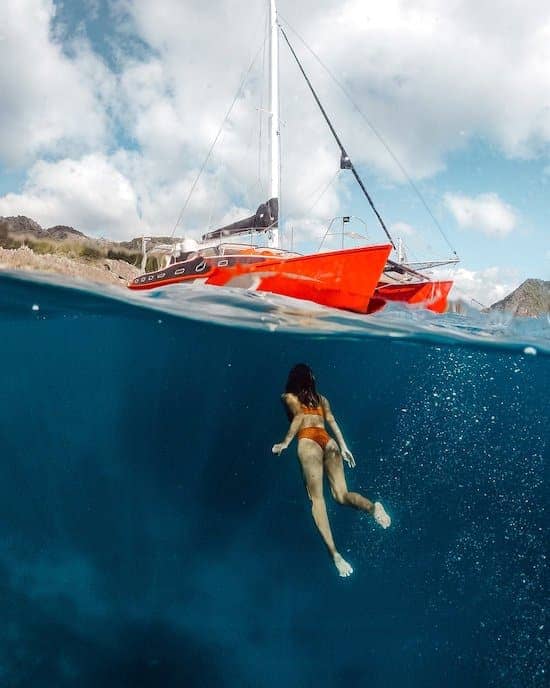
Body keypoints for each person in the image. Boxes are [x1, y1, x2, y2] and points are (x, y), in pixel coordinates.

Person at [272, 363, 391, 577]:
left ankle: (335, 554)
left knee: (317, 500)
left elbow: (299, 417)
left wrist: (285, 443)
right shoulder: (322, 399)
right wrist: (344, 447)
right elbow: (332, 422)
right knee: (342, 495)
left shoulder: (288, 396)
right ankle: (373, 508)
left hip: (308, 440)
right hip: (329, 441)